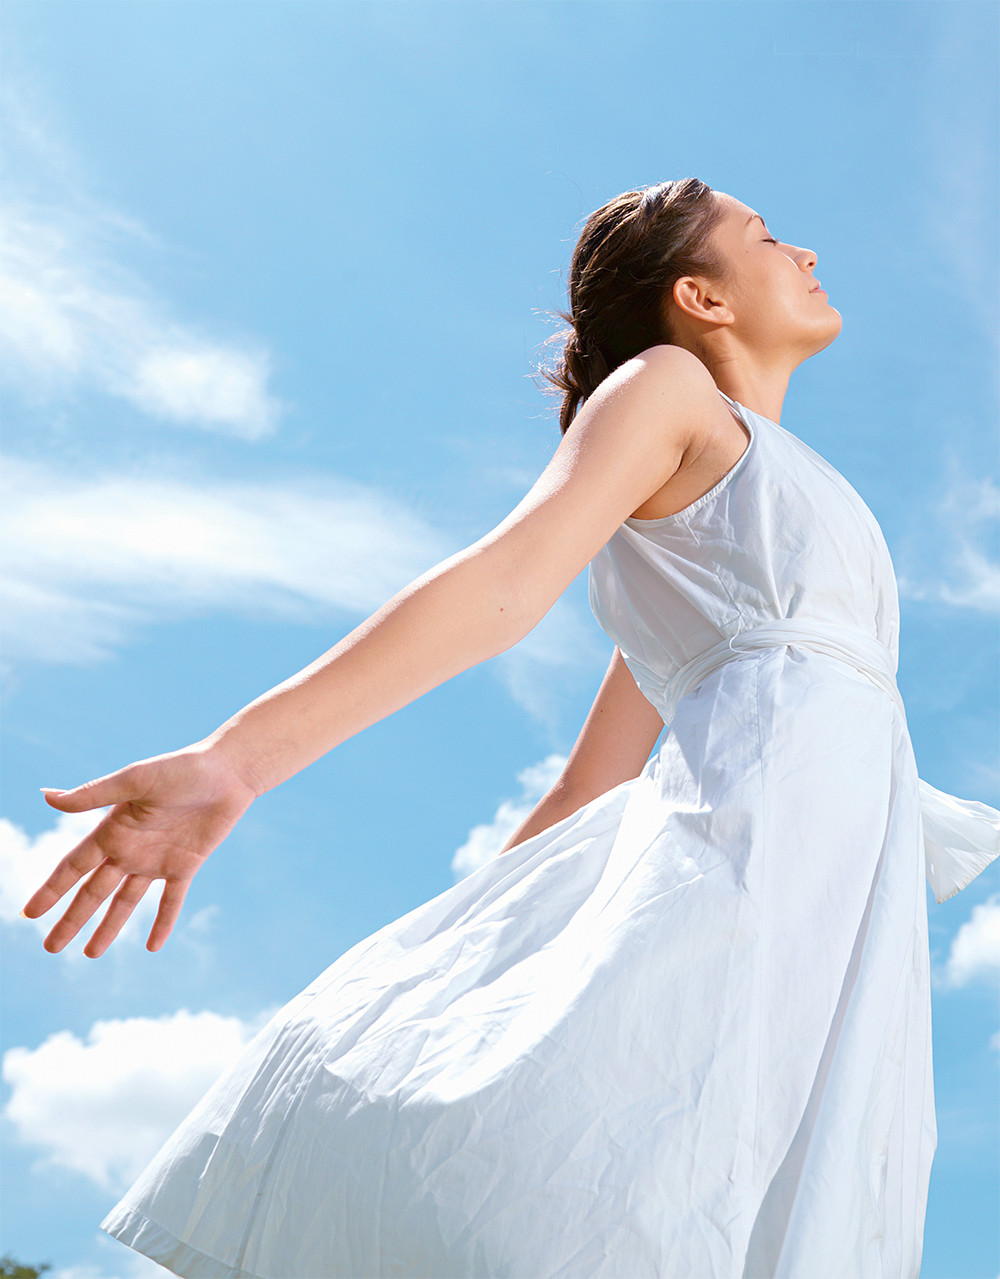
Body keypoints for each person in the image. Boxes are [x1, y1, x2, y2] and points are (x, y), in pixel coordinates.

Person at [22, 178, 999, 1278]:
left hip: (830, 913)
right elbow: (504, 583)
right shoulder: (669, 384)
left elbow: (589, 786)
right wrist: (237, 760)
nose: (805, 252)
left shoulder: (746, 518)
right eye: (767, 237)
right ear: (701, 297)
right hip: (742, 879)